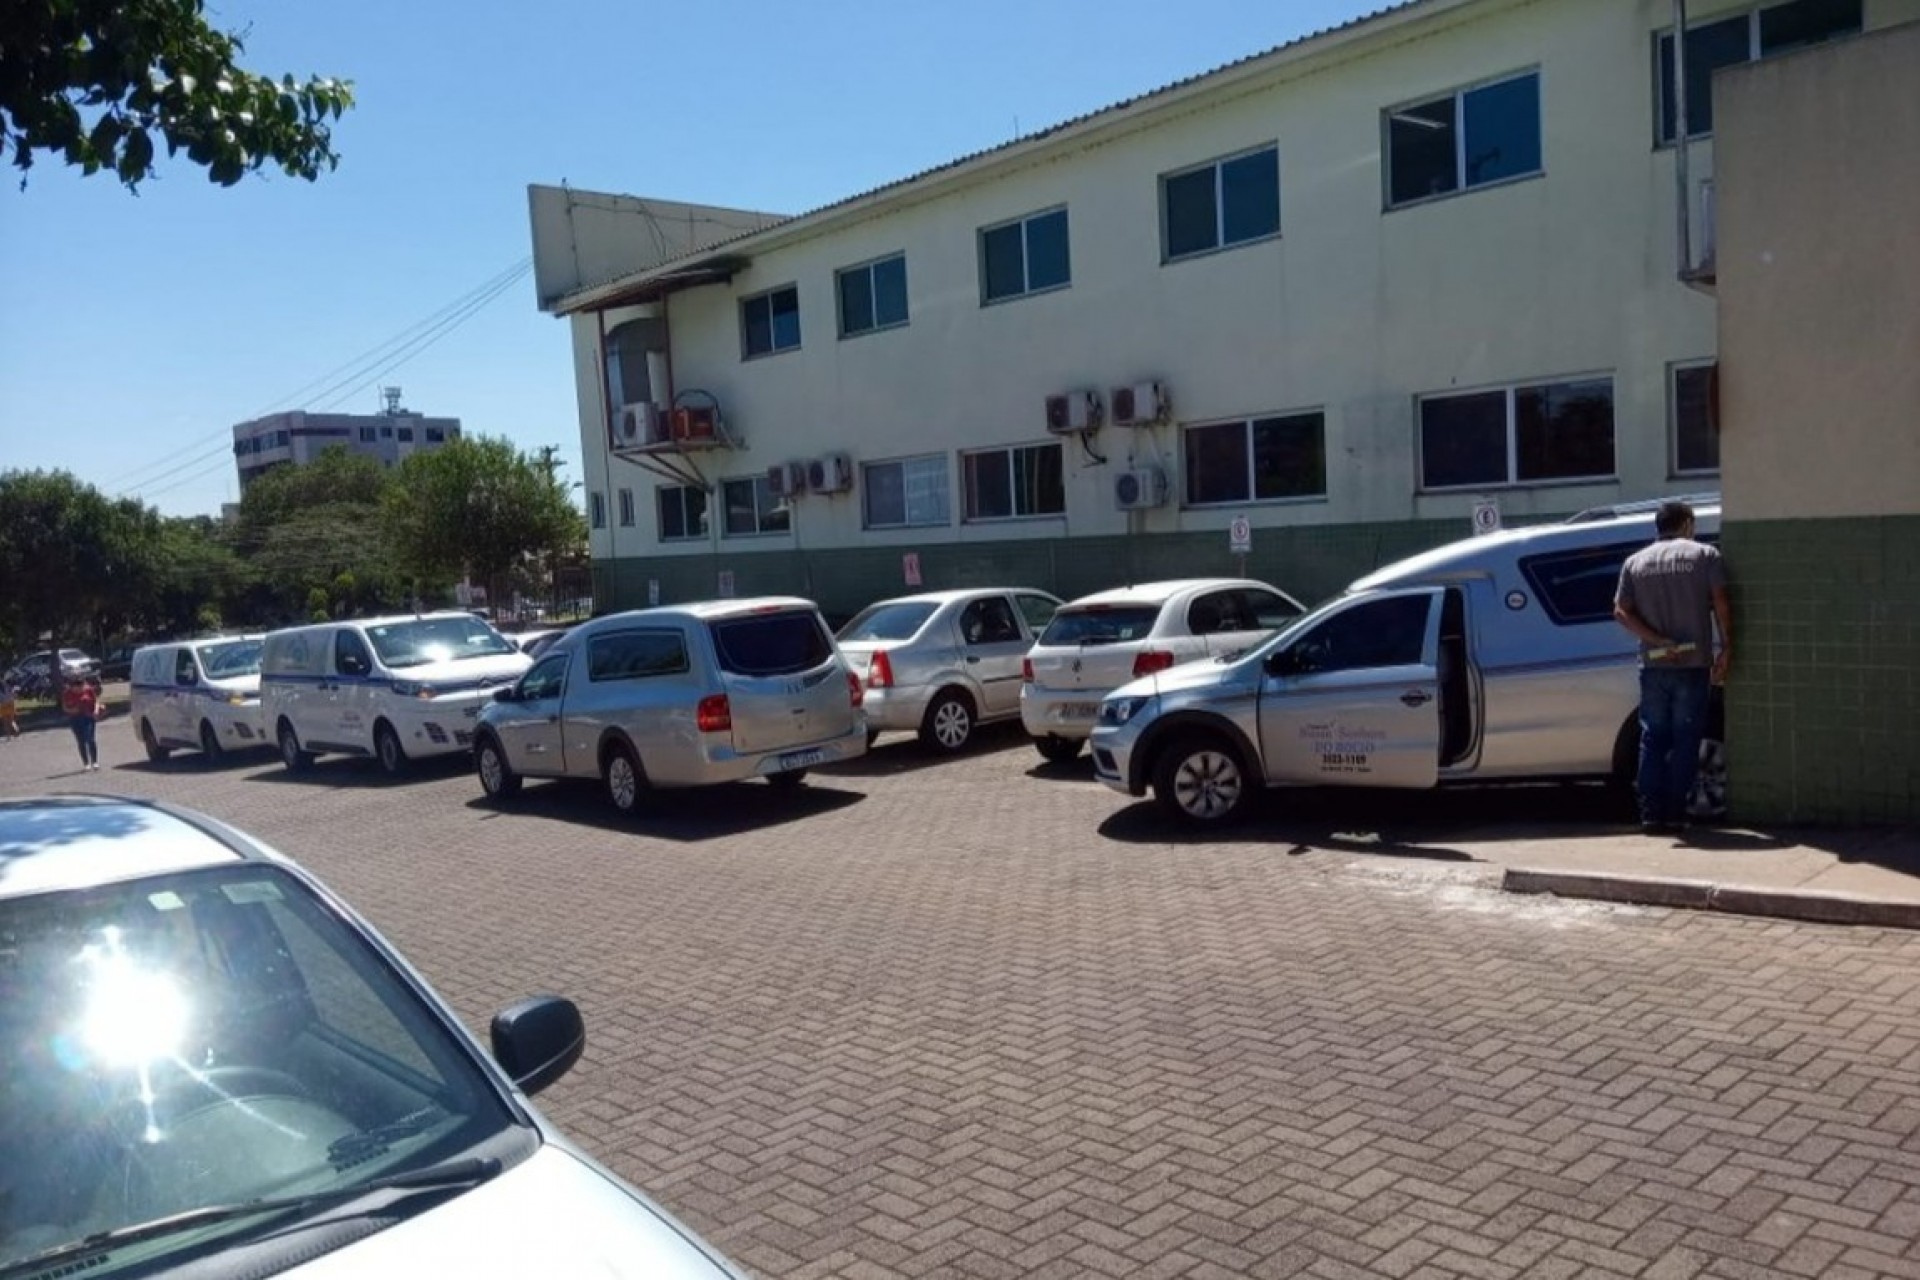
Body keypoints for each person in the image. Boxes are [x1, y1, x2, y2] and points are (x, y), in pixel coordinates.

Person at [1613, 500, 1732, 834]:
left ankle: (1651, 814)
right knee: (1685, 738)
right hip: (1693, 663)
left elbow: (1620, 611)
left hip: (1653, 665)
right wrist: (1727, 647)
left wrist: (1656, 640)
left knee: (1652, 738)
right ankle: (1677, 813)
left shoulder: (1634, 562)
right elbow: (1721, 602)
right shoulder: (1704, 556)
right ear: (1686, 524)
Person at [60, 673, 105, 771]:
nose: (80, 689)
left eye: (81, 686)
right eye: (77, 687)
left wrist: (96, 711)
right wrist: (72, 710)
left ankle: (95, 762)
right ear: (72, 686)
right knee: (81, 741)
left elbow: (96, 701)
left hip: (88, 716)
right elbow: (65, 708)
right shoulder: (67, 693)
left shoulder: (88, 690)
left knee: (91, 739)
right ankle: (86, 763)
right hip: (75, 718)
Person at [0, 675, 19, 740]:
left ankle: (11, 734)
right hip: (7, 704)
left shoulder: (8, 684)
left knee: (7, 721)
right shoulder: (9, 684)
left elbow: (14, 693)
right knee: (8, 721)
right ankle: (12, 733)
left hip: (6, 704)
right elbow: (14, 693)